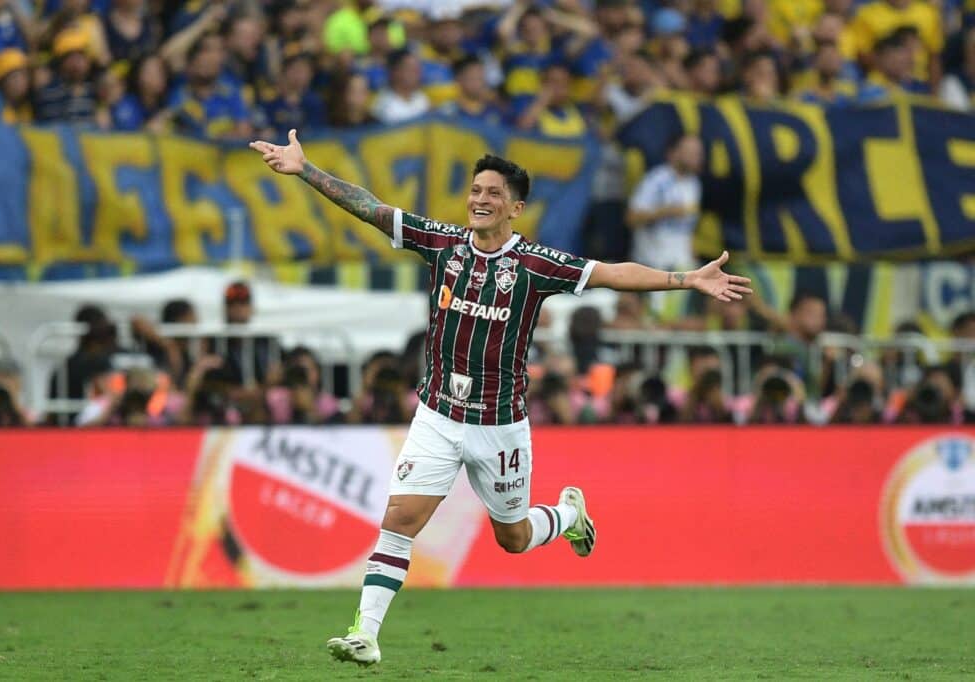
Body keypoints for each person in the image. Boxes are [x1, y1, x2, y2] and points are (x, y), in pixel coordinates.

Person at [249, 127, 751, 666]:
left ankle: (566, 514)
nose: (480, 200)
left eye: (493, 194)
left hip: (499, 426)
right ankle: (366, 635)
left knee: (511, 538)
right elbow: (371, 208)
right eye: (475, 190)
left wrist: (685, 279)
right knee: (399, 519)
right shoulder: (441, 242)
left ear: (516, 207)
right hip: (438, 415)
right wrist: (306, 170)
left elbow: (613, 274)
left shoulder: (535, 265)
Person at [625, 133, 704, 272]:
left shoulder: (694, 184)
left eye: (699, 153)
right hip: (653, 264)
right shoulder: (656, 180)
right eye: (690, 152)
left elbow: (688, 229)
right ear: (673, 153)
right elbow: (631, 218)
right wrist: (665, 212)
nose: (697, 157)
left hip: (682, 265)